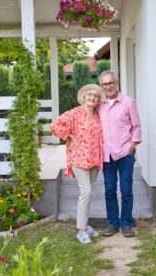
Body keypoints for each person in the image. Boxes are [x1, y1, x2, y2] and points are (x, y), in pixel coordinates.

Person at [50, 84, 105, 244]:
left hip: (94, 159)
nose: (92, 98)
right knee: (85, 192)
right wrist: (68, 136)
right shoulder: (75, 113)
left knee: (88, 193)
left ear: (98, 100)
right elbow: (54, 125)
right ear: (83, 97)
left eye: (95, 96)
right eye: (89, 95)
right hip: (79, 158)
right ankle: (81, 231)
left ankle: (85, 225)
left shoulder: (97, 116)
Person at [98, 71, 142, 238]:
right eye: (104, 84)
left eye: (111, 83)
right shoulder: (99, 105)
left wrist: (133, 144)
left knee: (126, 189)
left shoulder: (128, 102)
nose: (108, 86)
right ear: (101, 87)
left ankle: (126, 224)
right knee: (109, 189)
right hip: (106, 154)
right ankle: (113, 223)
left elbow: (136, 126)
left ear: (116, 84)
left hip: (125, 152)